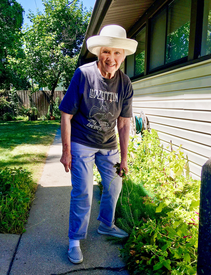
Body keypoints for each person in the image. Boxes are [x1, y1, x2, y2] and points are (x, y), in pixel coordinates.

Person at [59, 24, 138, 264]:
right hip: (82, 142)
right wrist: (66, 151)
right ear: (98, 53)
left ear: (123, 56)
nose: (111, 58)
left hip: (109, 144)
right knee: (83, 192)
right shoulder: (83, 74)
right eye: (106, 52)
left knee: (114, 186)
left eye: (116, 53)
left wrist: (124, 158)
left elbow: (124, 124)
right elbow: (66, 114)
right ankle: (74, 239)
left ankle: (106, 224)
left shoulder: (125, 84)